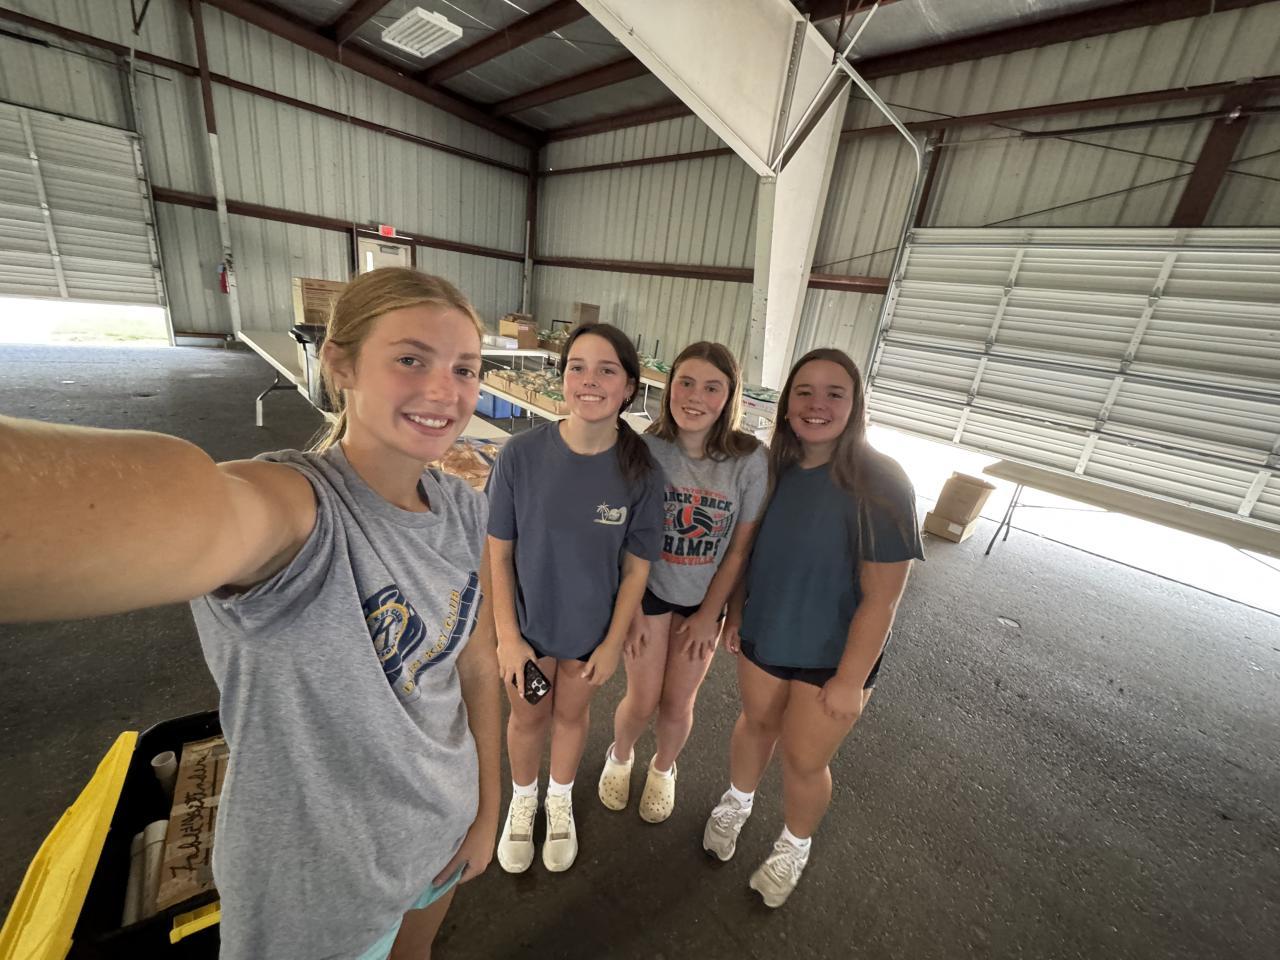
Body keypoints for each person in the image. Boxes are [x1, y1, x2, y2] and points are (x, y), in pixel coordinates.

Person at [0, 268, 501, 960]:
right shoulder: (297, 510)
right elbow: (200, 506)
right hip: (317, 893)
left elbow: (476, 665)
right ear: (341, 365)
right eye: (411, 360)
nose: (445, 390)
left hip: (439, 836)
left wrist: (485, 807)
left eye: (464, 368)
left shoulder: (463, 510)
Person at [702, 347, 924, 908]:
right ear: (785, 404)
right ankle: (737, 803)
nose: (816, 404)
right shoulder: (770, 469)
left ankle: (793, 846)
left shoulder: (881, 482)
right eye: (804, 392)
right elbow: (748, 550)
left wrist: (850, 680)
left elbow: (883, 598)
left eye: (834, 393)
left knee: (805, 760)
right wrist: (737, 612)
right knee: (756, 724)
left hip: (834, 656)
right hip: (768, 633)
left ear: (855, 404)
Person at [487, 322, 665, 874]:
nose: (590, 381)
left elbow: (637, 568)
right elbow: (498, 553)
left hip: (589, 634)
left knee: (570, 715)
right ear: (562, 377)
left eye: (606, 370)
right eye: (577, 368)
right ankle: (523, 799)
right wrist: (508, 637)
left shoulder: (642, 472)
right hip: (529, 629)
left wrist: (612, 643)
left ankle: (558, 797)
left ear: (629, 387)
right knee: (527, 718)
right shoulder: (519, 456)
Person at [598, 341, 768, 823]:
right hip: (648, 593)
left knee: (677, 702)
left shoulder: (750, 460)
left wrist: (711, 615)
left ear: (729, 397)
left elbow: (739, 550)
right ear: (669, 386)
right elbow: (621, 538)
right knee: (642, 698)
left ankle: (663, 768)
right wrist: (629, 610)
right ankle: (620, 756)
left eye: (712, 388)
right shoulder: (644, 448)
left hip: (703, 600)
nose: (695, 396)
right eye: (686, 383)